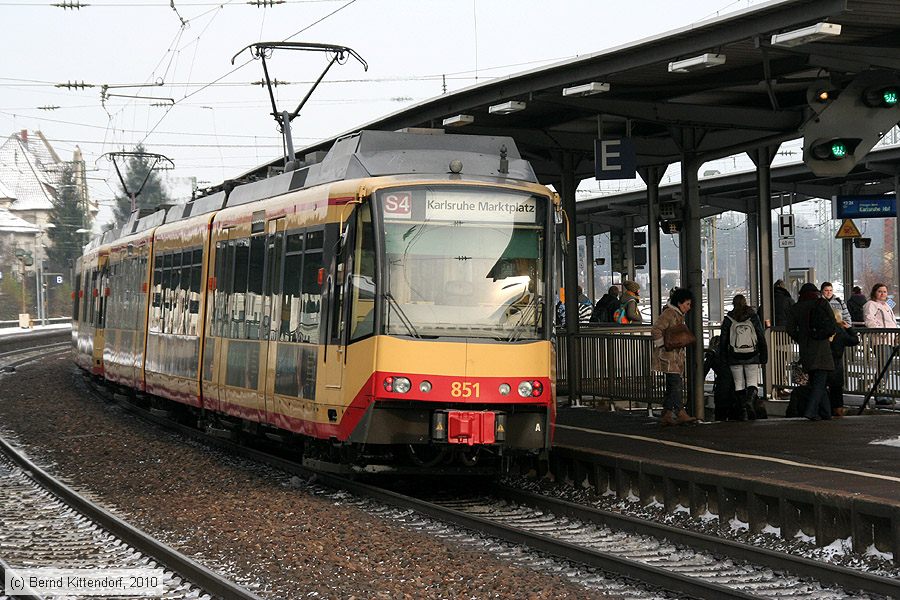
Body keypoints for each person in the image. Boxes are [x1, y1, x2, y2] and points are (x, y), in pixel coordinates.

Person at [786, 282, 837, 420]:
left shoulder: (796, 307)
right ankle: (811, 411)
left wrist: (801, 339)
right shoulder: (822, 303)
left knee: (817, 381)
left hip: (806, 348)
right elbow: (832, 324)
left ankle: (826, 413)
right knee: (820, 382)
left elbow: (790, 329)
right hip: (822, 347)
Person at [651, 287, 697, 425]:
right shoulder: (670, 313)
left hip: (673, 357)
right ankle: (680, 412)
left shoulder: (676, 314)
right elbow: (656, 329)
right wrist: (663, 345)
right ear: (679, 303)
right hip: (668, 357)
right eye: (687, 304)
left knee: (672, 385)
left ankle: (667, 414)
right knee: (675, 384)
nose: (689, 307)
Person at [720, 294, 768, 420]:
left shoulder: (729, 318)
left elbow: (723, 339)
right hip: (752, 354)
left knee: (738, 384)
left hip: (734, 356)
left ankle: (743, 411)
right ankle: (749, 401)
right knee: (752, 382)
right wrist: (763, 354)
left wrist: (724, 356)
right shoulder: (753, 317)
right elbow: (760, 335)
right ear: (745, 302)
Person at [862, 283, 899, 405]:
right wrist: (881, 332)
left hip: (891, 340)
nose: (883, 294)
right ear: (874, 292)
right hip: (880, 340)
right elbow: (869, 320)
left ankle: (881, 393)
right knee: (883, 367)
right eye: (880, 291)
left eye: (885, 292)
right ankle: (879, 394)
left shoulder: (888, 304)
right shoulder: (870, 304)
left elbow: (892, 318)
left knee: (886, 367)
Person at [827, 308, 859, 417]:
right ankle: (838, 410)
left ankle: (826, 408)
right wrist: (849, 328)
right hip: (836, 363)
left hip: (823, 362)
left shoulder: (824, 329)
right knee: (836, 388)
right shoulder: (840, 332)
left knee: (822, 387)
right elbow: (855, 340)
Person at [704, 335, 736, 421]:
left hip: (722, 385)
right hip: (736, 385)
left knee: (721, 414)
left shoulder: (712, 352)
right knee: (734, 415)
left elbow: (704, 370)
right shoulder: (731, 350)